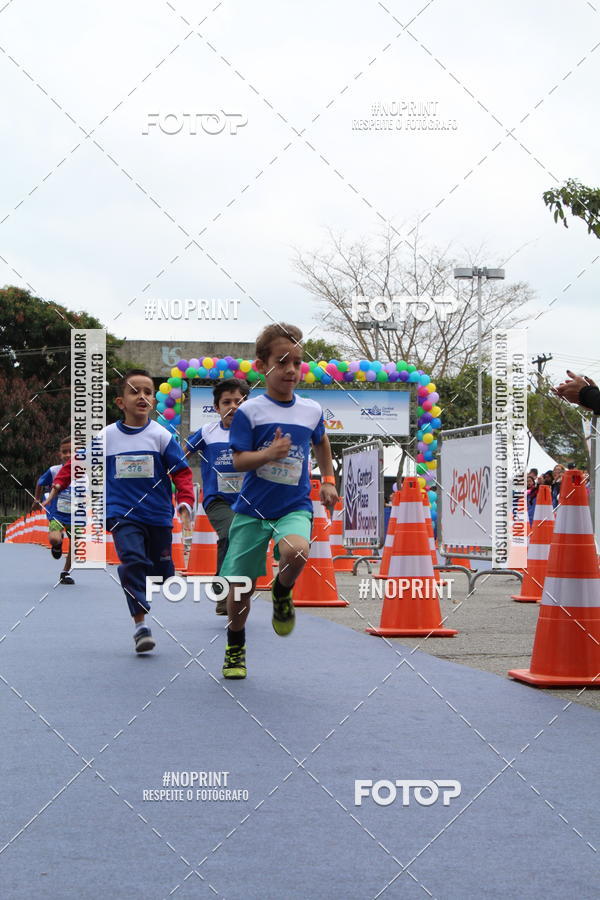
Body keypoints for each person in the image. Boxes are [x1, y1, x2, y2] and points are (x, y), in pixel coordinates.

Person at [43, 369, 194, 653]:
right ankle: (140, 626)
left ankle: (156, 574)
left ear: (153, 400)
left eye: (148, 392)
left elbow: (182, 473)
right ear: (120, 402)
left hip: (158, 515)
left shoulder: (161, 436)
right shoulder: (107, 436)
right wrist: (58, 485)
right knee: (132, 561)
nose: (142, 396)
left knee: (161, 571)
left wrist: (185, 503)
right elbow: (77, 463)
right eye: (134, 391)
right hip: (122, 513)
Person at [219, 323, 339, 679]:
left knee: (297, 551)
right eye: (282, 361)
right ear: (261, 366)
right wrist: (269, 453)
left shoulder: (311, 410)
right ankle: (235, 645)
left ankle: (282, 593)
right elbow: (239, 461)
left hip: (293, 505)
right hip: (253, 509)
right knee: (238, 590)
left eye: (297, 363)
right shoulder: (249, 412)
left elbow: (321, 442)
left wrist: (328, 480)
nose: (290, 370)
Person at [185, 378, 250, 615]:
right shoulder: (207, 432)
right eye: (227, 402)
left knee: (243, 544)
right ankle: (223, 594)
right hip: (218, 500)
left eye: (239, 401)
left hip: (248, 501)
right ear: (217, 407)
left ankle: (235, 592)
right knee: (229, 533)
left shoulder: (253, 432)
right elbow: (181, 455)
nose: (233, 406)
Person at [31, 436, 75, 584]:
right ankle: (58, 543)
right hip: (57, 514)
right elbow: (40, 482)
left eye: (72, 451)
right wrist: (37, 500)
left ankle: (65, 573)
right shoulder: (54, 471)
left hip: (77, 516)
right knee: (54, 538)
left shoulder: (86, 473)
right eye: (64, 452)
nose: (68, 455)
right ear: (59, 454)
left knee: (76, 545)